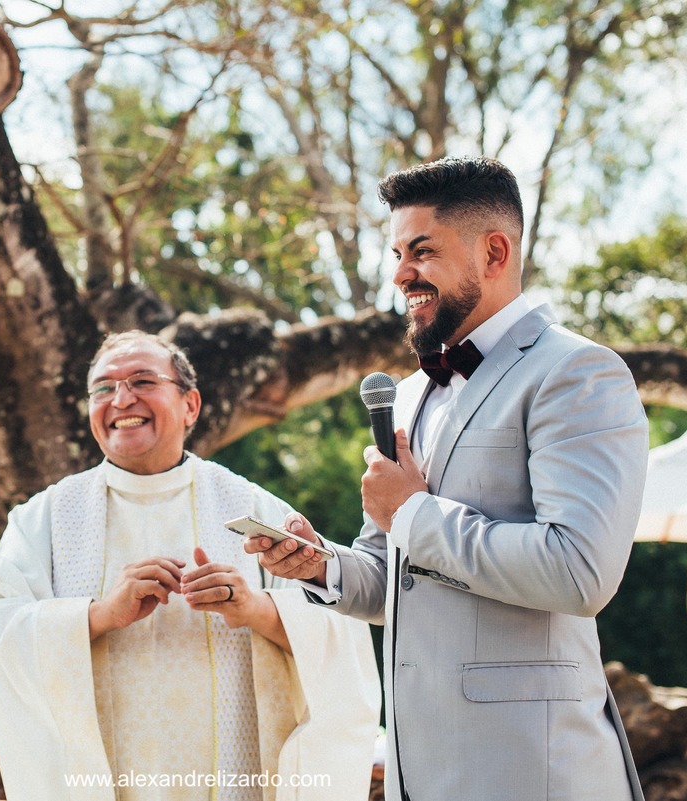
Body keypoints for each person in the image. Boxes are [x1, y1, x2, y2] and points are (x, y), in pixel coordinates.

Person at [246, 156, 649, 801]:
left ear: (494, 251)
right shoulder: (407, 397)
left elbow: (579, 572)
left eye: (422, 251)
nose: (401, 273)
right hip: (419, 769)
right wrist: (319, 567)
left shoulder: (577, 373)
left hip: (534, 771)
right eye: (398, 253)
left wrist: (409, 513)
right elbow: (393, 580)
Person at [0, 331, 381, 801]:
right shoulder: (45, 518)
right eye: (103, 387)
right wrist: (100, 616)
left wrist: (256, 608)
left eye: (142, 380)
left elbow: (342, 633)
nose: (121, 399)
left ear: (190, 405)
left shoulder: (255, 509)